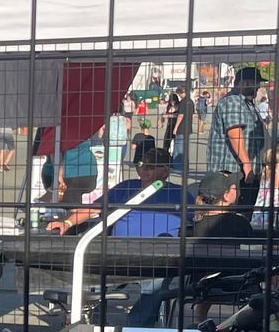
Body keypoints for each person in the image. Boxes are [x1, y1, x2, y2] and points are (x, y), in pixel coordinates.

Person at [48, 142, 185, 236]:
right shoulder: (126, 187)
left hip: (161, 260)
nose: (144, 170)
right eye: (143, 165)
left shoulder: (179, 193)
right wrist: (67, 223)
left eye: (151, 167)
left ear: (165, 171)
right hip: (118, 254)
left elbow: (200, 216)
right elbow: (93, 208)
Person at [206, 65, 267, 209]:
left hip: (241, 171)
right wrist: (247, 164)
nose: (258, 87)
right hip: (231, 171)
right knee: (232, 211)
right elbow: (234, 133)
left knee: (243, 210)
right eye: (256, 83)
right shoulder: (233, 101)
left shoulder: (246, 103)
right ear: (244, 83)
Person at [188, 168, 255, 241]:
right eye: (235, 188)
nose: (238, 190)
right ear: (226, 196)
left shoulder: (198, 222)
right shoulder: (239, 223)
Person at [162, 83, 190, 160]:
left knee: (176, 144)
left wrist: (170, 115)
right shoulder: (168, 107)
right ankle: (166, 157)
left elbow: (180, 115)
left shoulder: (179, 106)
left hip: (176, 126)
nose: (172, 103)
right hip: (169, 126)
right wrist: (162, 119)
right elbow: (163, 115)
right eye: (171, 101)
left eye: (173, 101)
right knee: (166, 143)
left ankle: (174, 158)